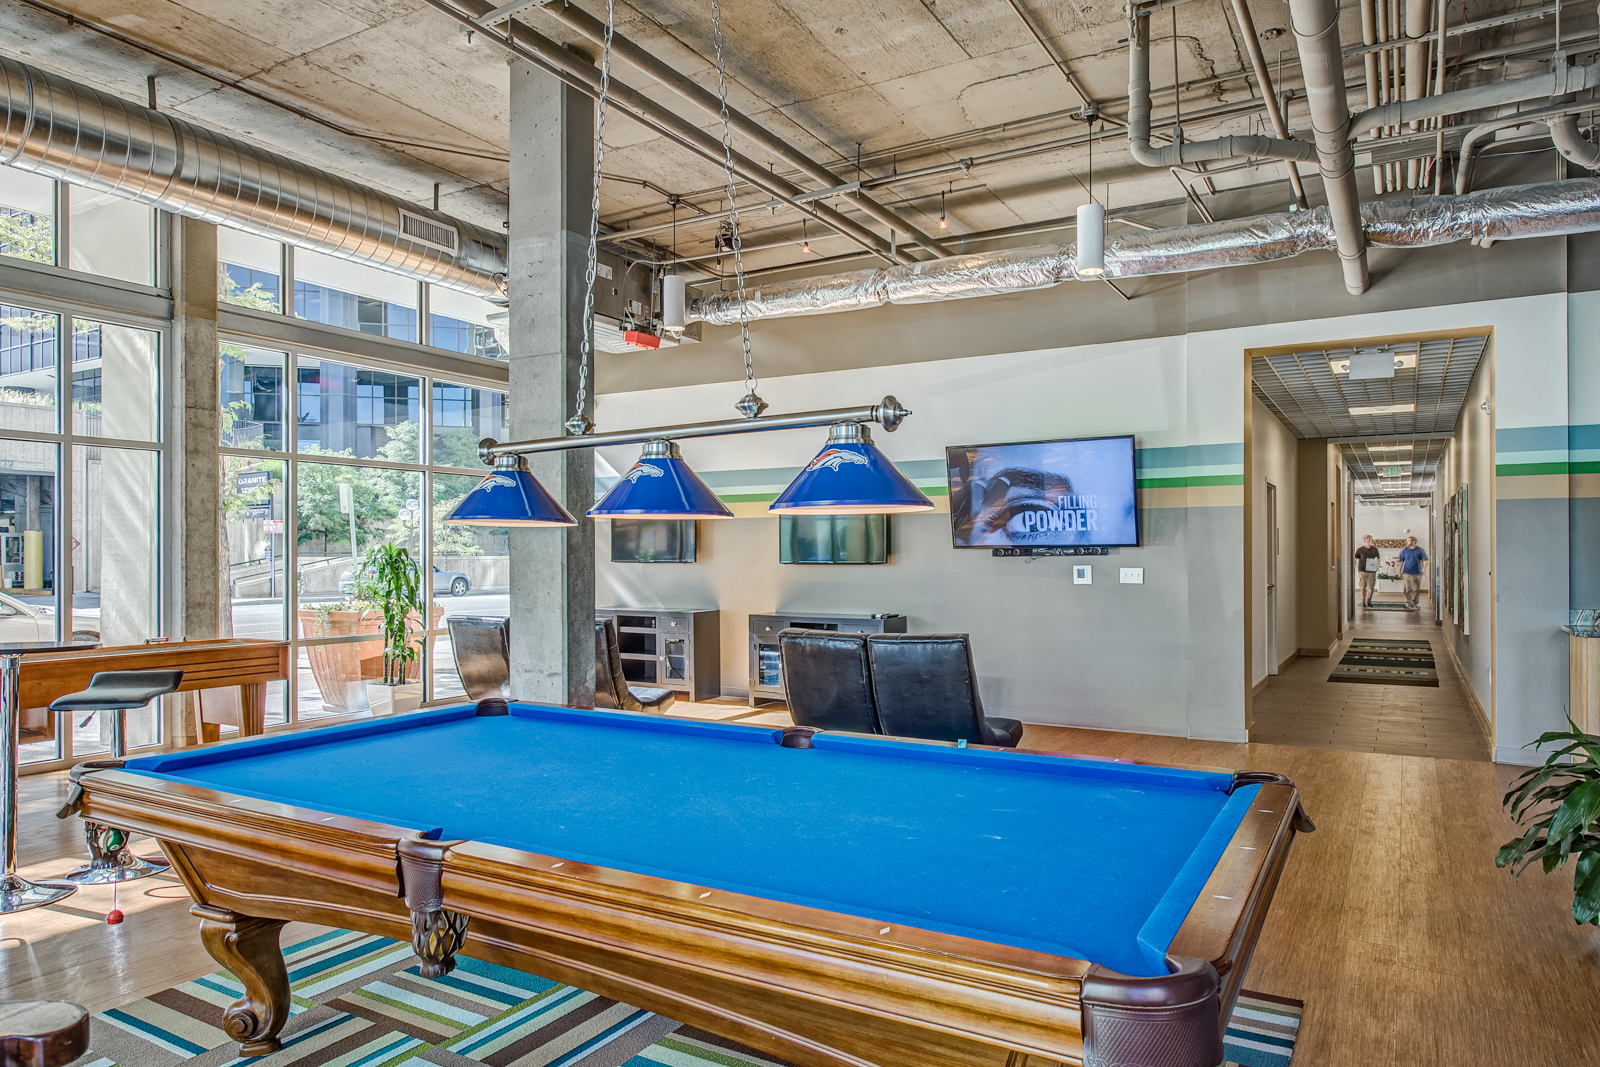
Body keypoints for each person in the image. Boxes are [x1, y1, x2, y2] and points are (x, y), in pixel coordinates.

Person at [1399, 535, 1429, 610]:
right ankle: (1409, 603)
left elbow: (1426, 560)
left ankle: (1416, 603)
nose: (1407, 542)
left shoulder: (1420, 550)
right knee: (1409, 588)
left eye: (1408, 541)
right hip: (1407, 572)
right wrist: (1399, 572)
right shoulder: (1405, 550)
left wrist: (1424, 568)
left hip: (1417, 572)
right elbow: (1401, 562)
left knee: (1416, 589)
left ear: (1413, 542)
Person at [1355, 534, 1380, 608]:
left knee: (1371, 586)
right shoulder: (1359, 550)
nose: (1368, 540)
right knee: (1362, 586)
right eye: (1366, 539)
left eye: (1369, 538)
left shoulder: (1374, 550)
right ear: (1364, 540)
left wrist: (1376, 565)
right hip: (1362, 570)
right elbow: (1356, 559)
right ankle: (1363, 601)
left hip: (1371, 571)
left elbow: (1378, 559)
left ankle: (1368, 601)